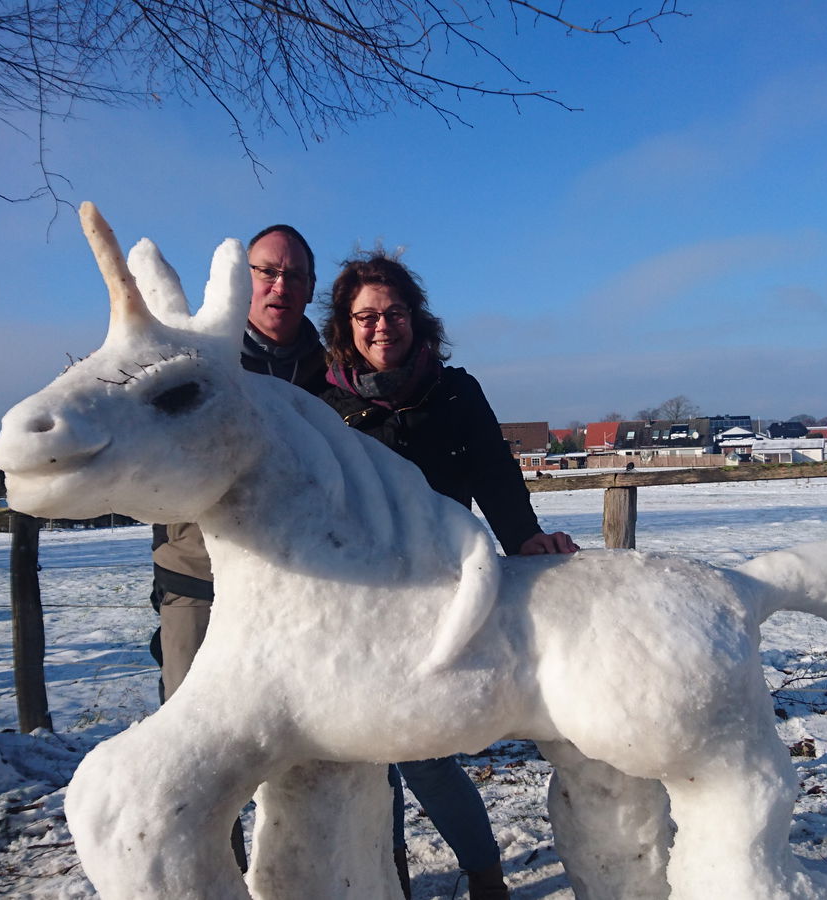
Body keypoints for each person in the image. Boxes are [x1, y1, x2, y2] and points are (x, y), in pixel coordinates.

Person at [319, 251, 579, 900]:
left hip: (436, 593)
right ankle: (393, 880)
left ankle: (486, 876)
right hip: (354, 599)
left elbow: (494, 472)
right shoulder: (322, 403)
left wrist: (525, 538)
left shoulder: (454, 390)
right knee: (362, 764)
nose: (382, 326)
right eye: (367, 316)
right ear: (346, 327)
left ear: (416, 318)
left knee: (423, 756)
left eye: (394, 312)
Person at [149, 222, 324, 870]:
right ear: (243, 278)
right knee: (199, 760)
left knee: (309, 754)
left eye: (294, 275)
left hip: (301, 593)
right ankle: (214, 879)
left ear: (310, 289)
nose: (279, 285)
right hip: (200, 586)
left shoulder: (333, 370)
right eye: (266, 271)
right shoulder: (189, 358)